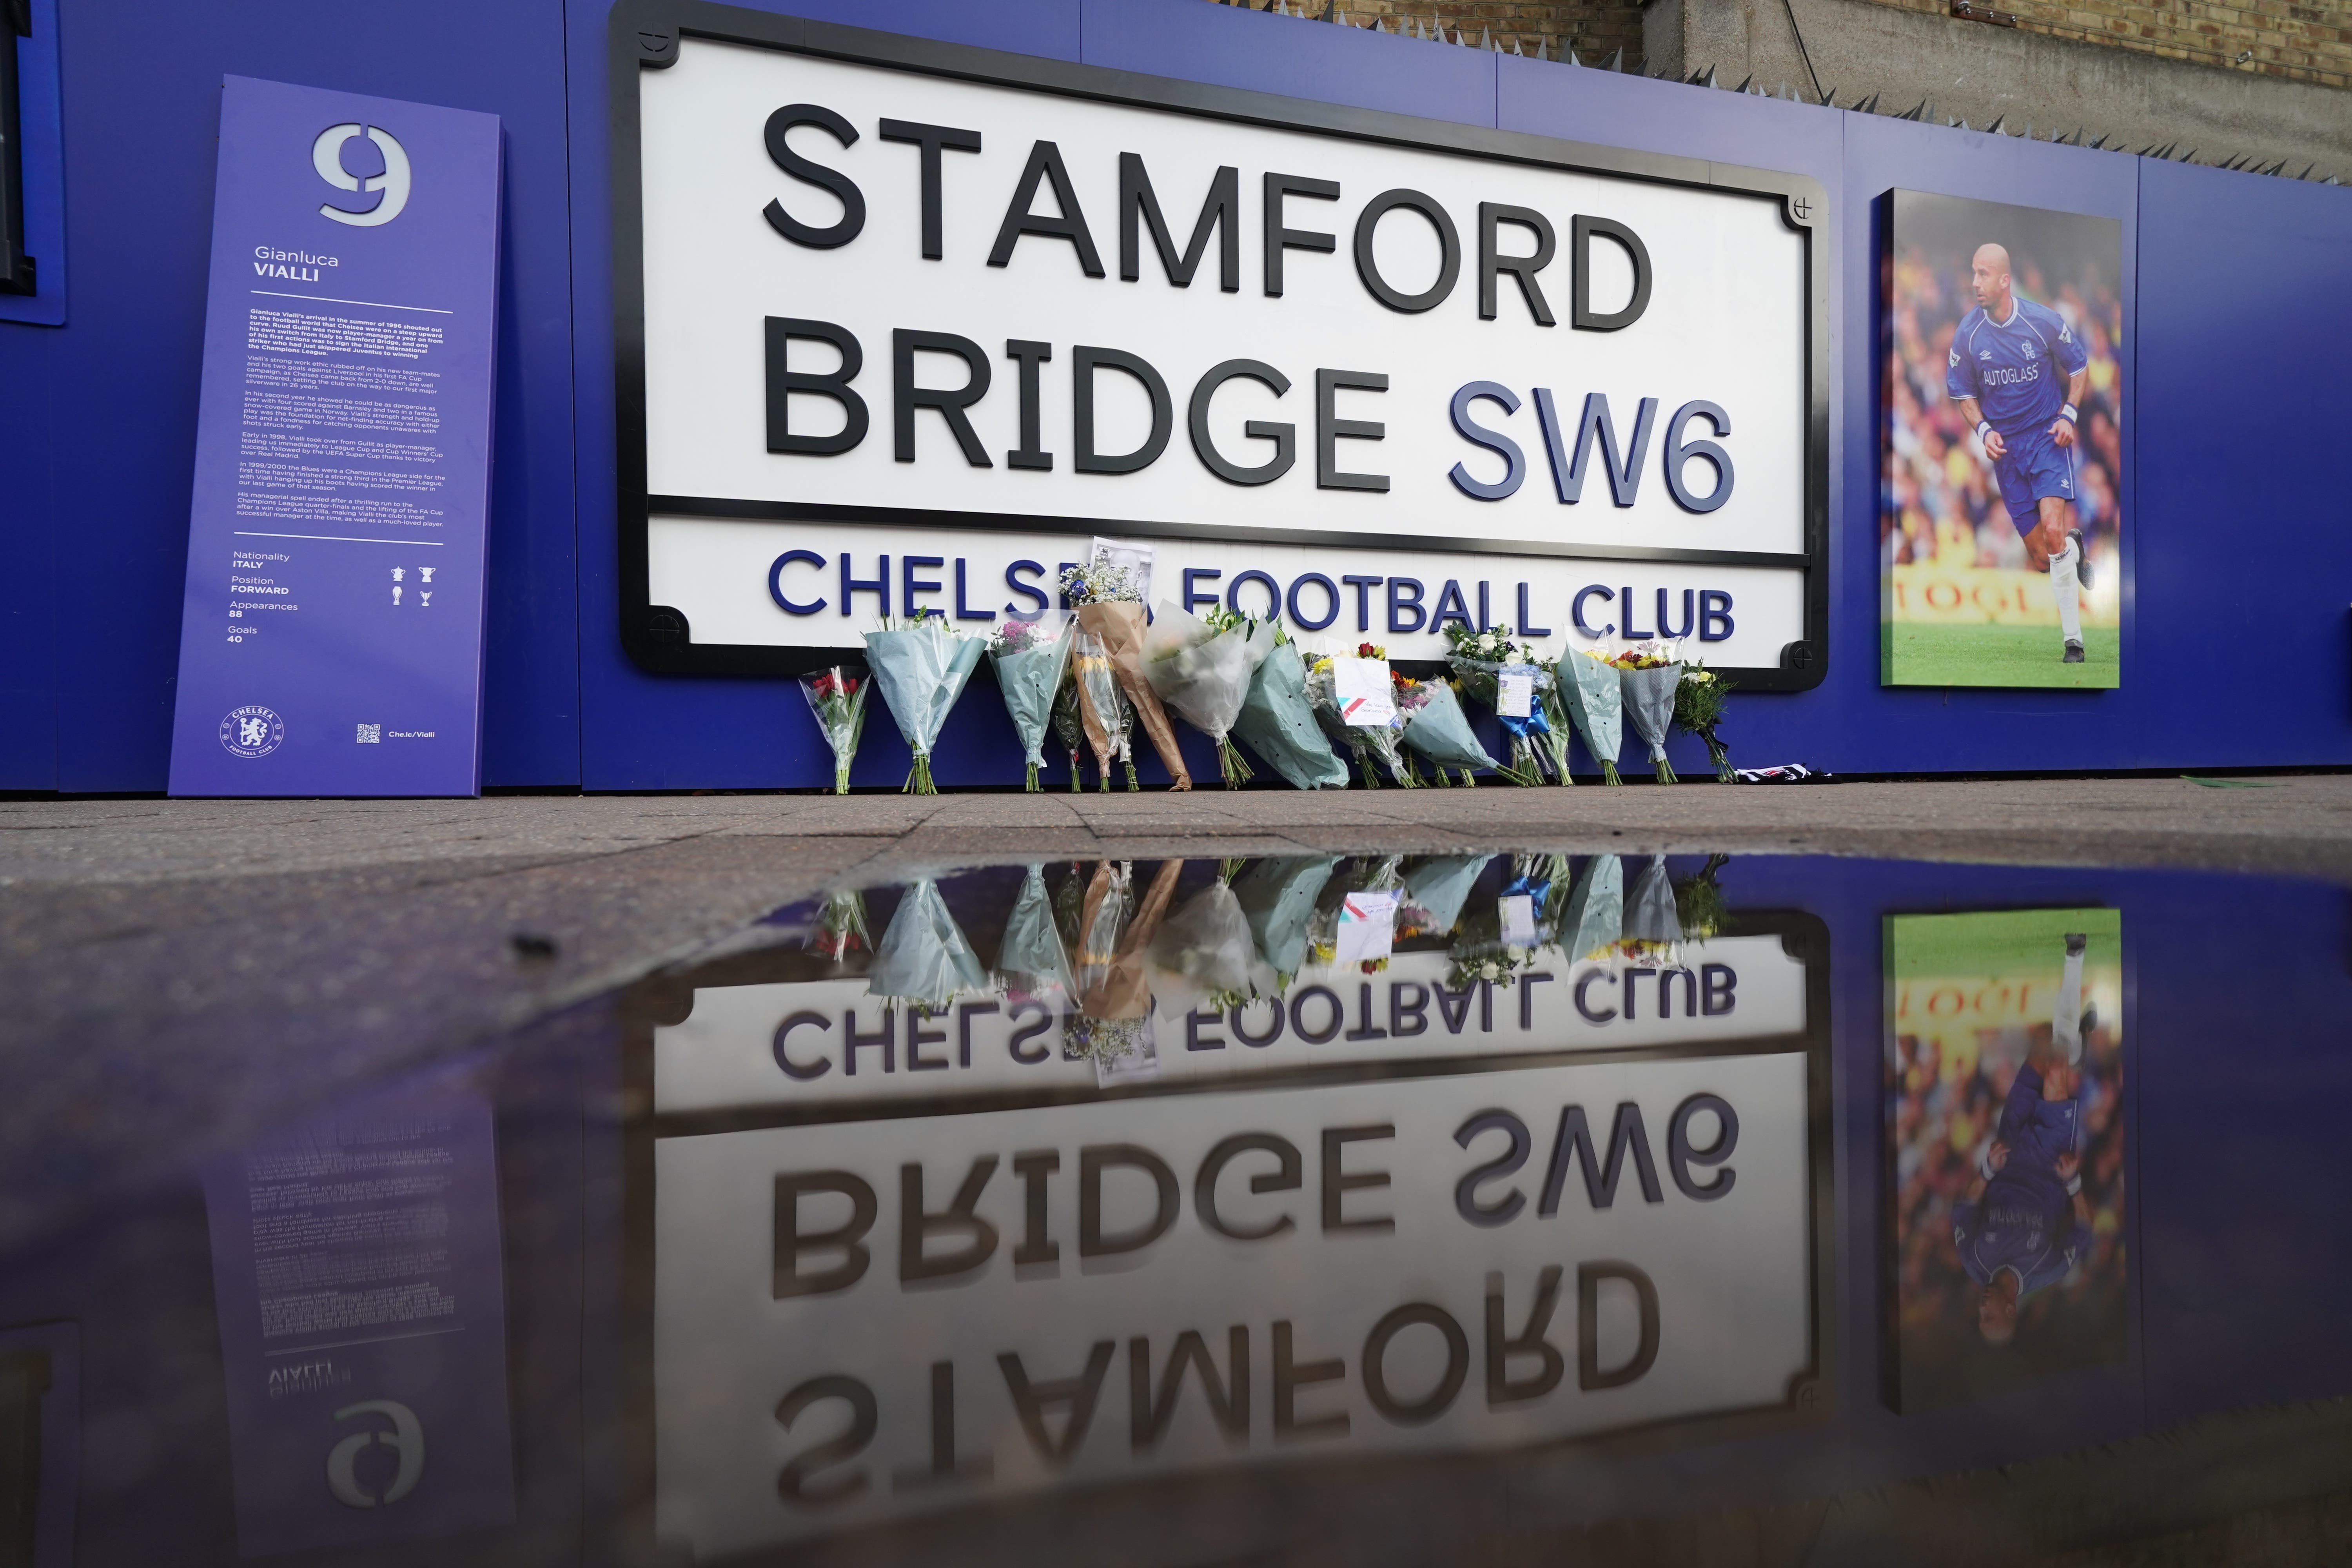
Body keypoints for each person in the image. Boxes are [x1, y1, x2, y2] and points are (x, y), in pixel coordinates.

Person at [1945, 244, 2094, 664]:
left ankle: (2073, 642)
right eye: (1974, 273)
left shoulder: (2042, 322)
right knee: (2043, 557)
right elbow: (1962, 392)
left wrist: (2069, 413)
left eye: (1983, 274)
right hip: (2007, 453)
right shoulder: (1968, 335)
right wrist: (1984, 428)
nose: (1975, 283)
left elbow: (2079, 368)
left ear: (2005, 280)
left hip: (2047, 438)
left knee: (2051, 532)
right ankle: (2074, 548)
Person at [1953, 932, 2094, 1345]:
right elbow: (2084, 1230)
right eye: (1989, 1316)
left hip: (2011, 1146)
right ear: (2010, 1311)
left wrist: (1987, 1169)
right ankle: (2075, 954)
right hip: (2051, 1161)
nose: (1982, 1307)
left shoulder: (1973, 1258)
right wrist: (2073, 1184)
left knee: (2047, 1047)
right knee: (2055, 1069)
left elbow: (1965, 1206)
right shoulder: (2048, 1269)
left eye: (1980, 1315)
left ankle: (2075, 1046)